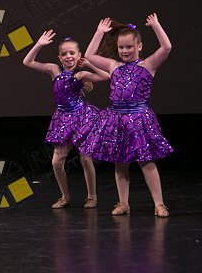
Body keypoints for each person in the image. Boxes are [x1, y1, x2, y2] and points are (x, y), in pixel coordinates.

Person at [79, 15, 174, 217]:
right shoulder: (114, 66)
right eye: (121, 47)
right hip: (116, 119)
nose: (125, 51)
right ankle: (123, 203)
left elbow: (166, 47)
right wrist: (99, 33)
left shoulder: (148, 65)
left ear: (139, 46)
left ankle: (159, 204)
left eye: (129, 46)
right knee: (120, 161)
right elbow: (89, 55)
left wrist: (156, 25)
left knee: (146, 161)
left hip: (139, 119)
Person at [22, 30, 110, 209]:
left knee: (85, 159)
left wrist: (89, 64)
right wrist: (39, 44)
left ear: (78, 55)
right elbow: (27, 62)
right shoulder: (54, 70)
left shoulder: (81, 75)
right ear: (59, 57)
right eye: (64, 54)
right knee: (56, 162)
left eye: (72, 53)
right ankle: (65, 196)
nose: (68, 56)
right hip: (62, 119)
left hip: (82, 117)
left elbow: (106, 76)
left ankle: (92, 196)